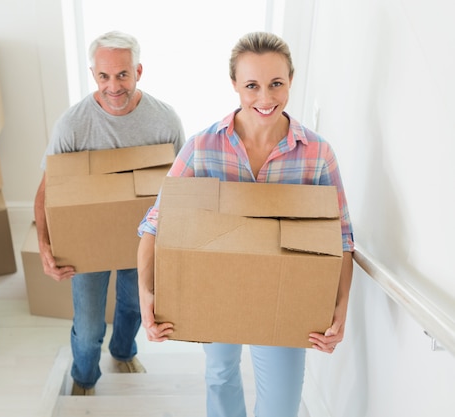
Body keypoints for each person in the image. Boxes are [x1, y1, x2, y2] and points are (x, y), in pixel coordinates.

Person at [137, 32, 354, 417]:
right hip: (214, 288)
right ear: (234, 85)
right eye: (252, 85)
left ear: (291, 81)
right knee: (220, 375)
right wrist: (147, 295)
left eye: (276, 84)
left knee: (282, 403)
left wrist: (339, 307)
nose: (265, 98)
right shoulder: (202, 147)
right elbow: (156, 224)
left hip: (287, 295)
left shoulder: (317, 153)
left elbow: (341, 239)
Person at [34, 30, 185, 396]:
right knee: (87, 326)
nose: (113, 86)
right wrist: (44, 248)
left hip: (142, 241)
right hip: (88, 244)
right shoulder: (72, 125)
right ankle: (84, 377)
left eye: (122, 75)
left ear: (139, 71)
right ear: (93, 75)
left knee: (134, 306)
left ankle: (123, 350)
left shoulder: (164, 122)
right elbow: (45, 190)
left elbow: (183, 187)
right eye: (104, 76)